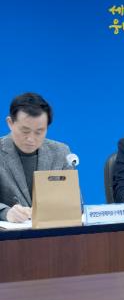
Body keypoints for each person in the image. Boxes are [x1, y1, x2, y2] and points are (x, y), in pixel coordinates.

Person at [0, 92, 73, 223]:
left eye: (39, 132)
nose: (31, 139)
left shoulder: (61, 152)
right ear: (10, 123)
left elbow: (74, 203)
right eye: (25, 131)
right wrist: (5, 212)